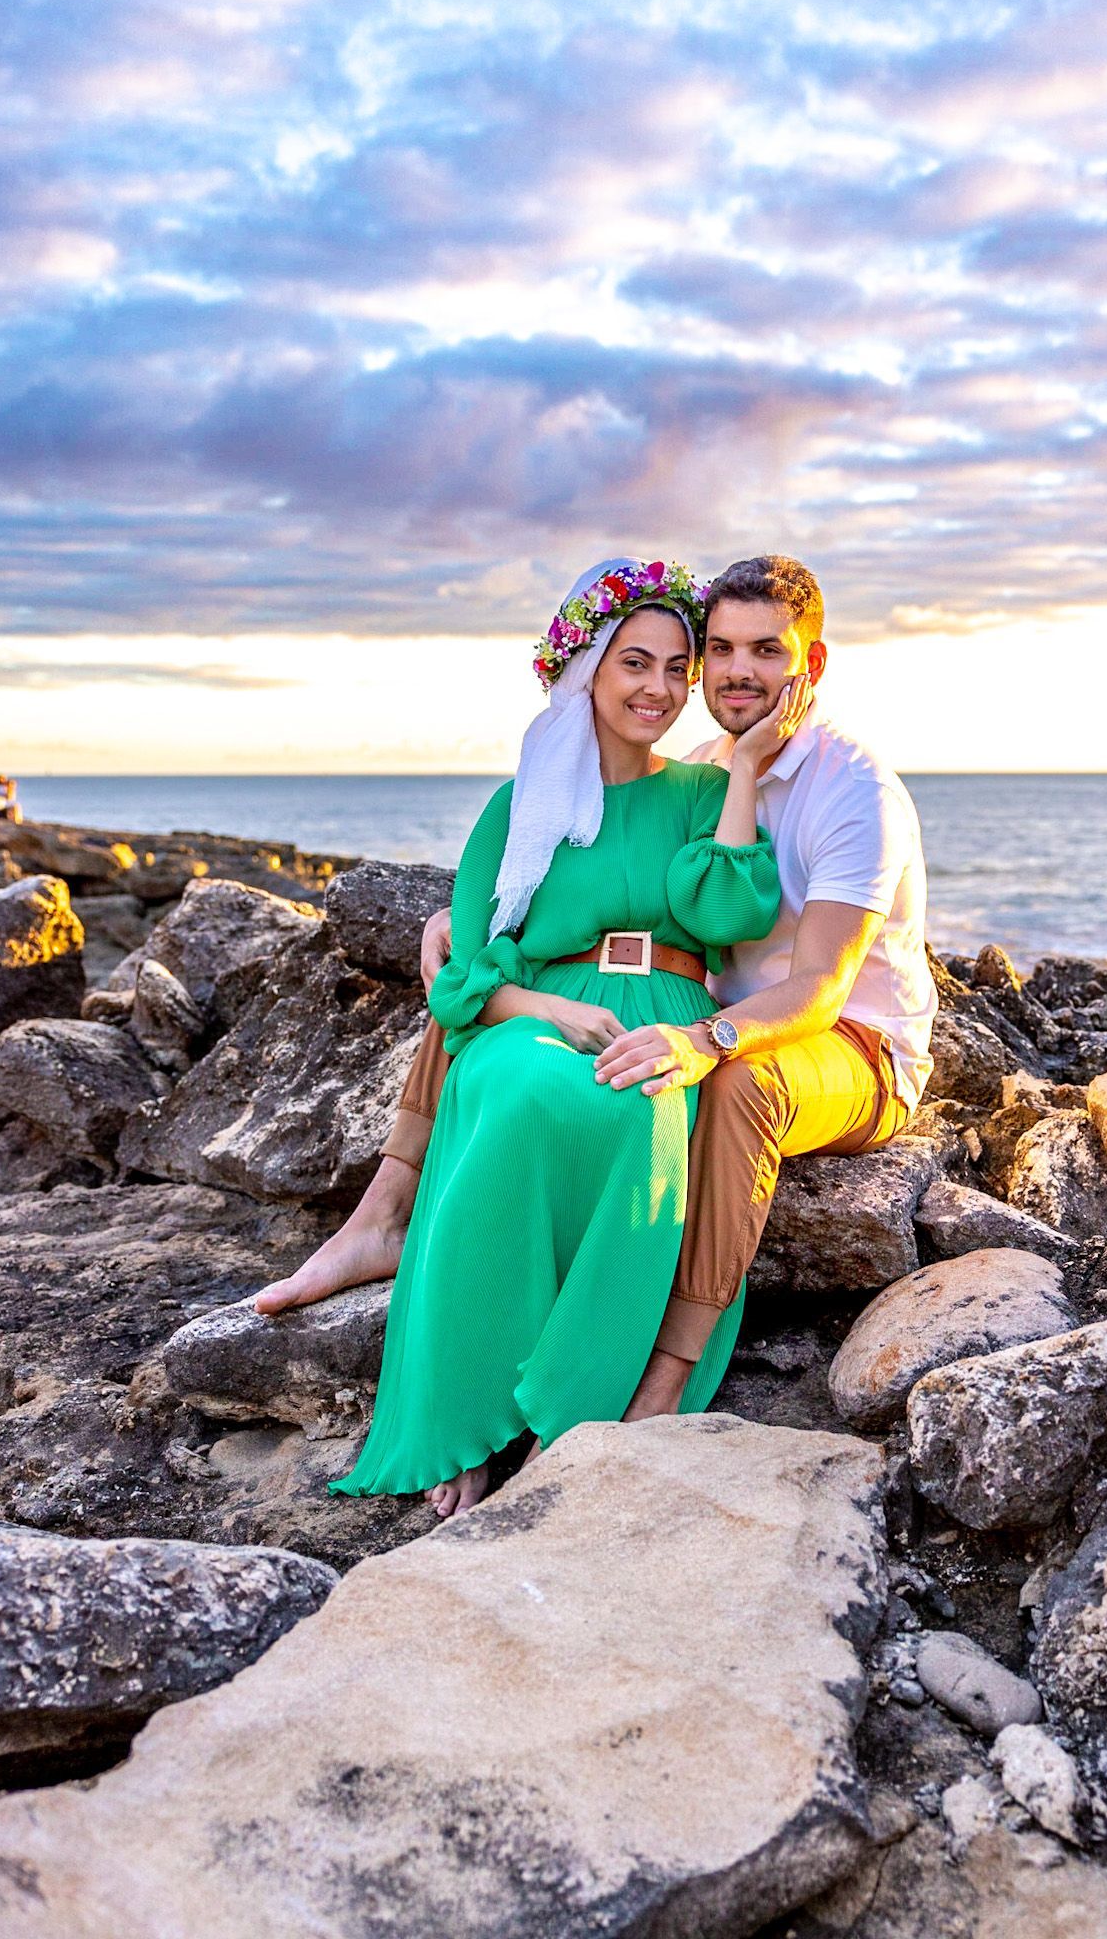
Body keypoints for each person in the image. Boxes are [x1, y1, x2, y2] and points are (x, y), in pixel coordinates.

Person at [261, 554, 938, 1429]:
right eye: (720, 649)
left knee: (738, 1085)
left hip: (849, 1044)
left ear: (808, 665)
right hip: (720, 1011)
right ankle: (382, 1220)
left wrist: (705, 1042)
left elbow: (816, 988)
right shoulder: (704, 763)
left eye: (766, 651)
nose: (736, 670)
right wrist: (464, 920)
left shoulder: (852, 787)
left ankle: (663, 1371)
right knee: (511, 987)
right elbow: (601, 866)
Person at [328, 557, 781, 1515]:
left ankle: (580, 1403)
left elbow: (732, 907)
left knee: (638, 1108)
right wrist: (546, 1010)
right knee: (528, 1093)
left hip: (666, 1013)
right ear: (587, 669)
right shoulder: (518, 807)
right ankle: (469, 1414)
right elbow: (464, 980)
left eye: (675, 667)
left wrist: (741, 768)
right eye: (633, 664)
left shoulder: (698, 792)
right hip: (531, 1016)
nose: (657, 688)